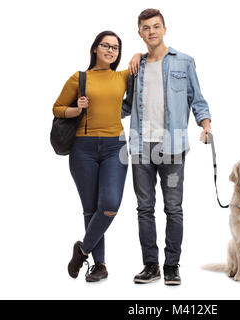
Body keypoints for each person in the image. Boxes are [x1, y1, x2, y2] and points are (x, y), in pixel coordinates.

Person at [122, 9, 212, 286]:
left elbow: (197, 99)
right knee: (144, 208)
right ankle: (151, 265)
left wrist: (205, 126)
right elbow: (125, 105)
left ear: (164, 29)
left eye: (156, 26)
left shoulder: (184, 62)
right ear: (140, 33)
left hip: (172, 149)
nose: (152, 32)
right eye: (146, 28)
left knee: (173, 208)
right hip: (140, 150)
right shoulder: (135, 68)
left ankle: (172, 265)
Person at [53, 31, 137, 282]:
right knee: (91, 208)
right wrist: (76, 108)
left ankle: (82, 250)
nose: (111, 50)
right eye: (106, 46)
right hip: (83, 148)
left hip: (116, 147)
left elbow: (142, 63)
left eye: (116, 47)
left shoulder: (122, 76)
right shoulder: (79, 78)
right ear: (95, 49)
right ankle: (99, 265)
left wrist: (136, 54)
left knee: (110, 205)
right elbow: (57, 108)